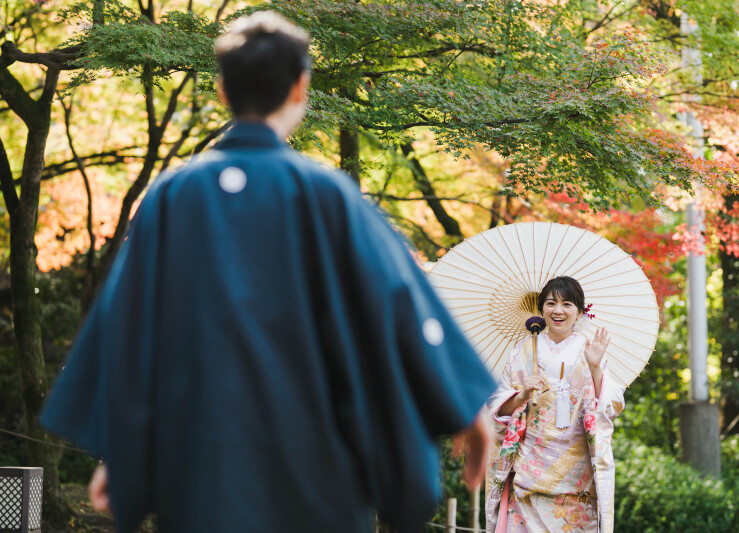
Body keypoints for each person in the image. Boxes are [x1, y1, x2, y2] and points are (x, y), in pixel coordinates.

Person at [39, 11, 497, 533]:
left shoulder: (174, 195)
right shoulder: (330, 196)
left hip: (203, 477)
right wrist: (463, 401)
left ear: (221, 90)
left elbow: (128, 330)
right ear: (301, 88)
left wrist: (124, 454)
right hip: (320, 477)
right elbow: (402, 308)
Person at [485, 276, 625, 533]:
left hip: (577, 472)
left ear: (580, 312)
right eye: (551, 303)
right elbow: (497, 410)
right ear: (541, 309)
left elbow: (611, 406)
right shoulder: (523, 352)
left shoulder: (589, 350)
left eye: (567, 304)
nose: (558, 310)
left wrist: (595, 368)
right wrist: (522, 395)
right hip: (530, 467)